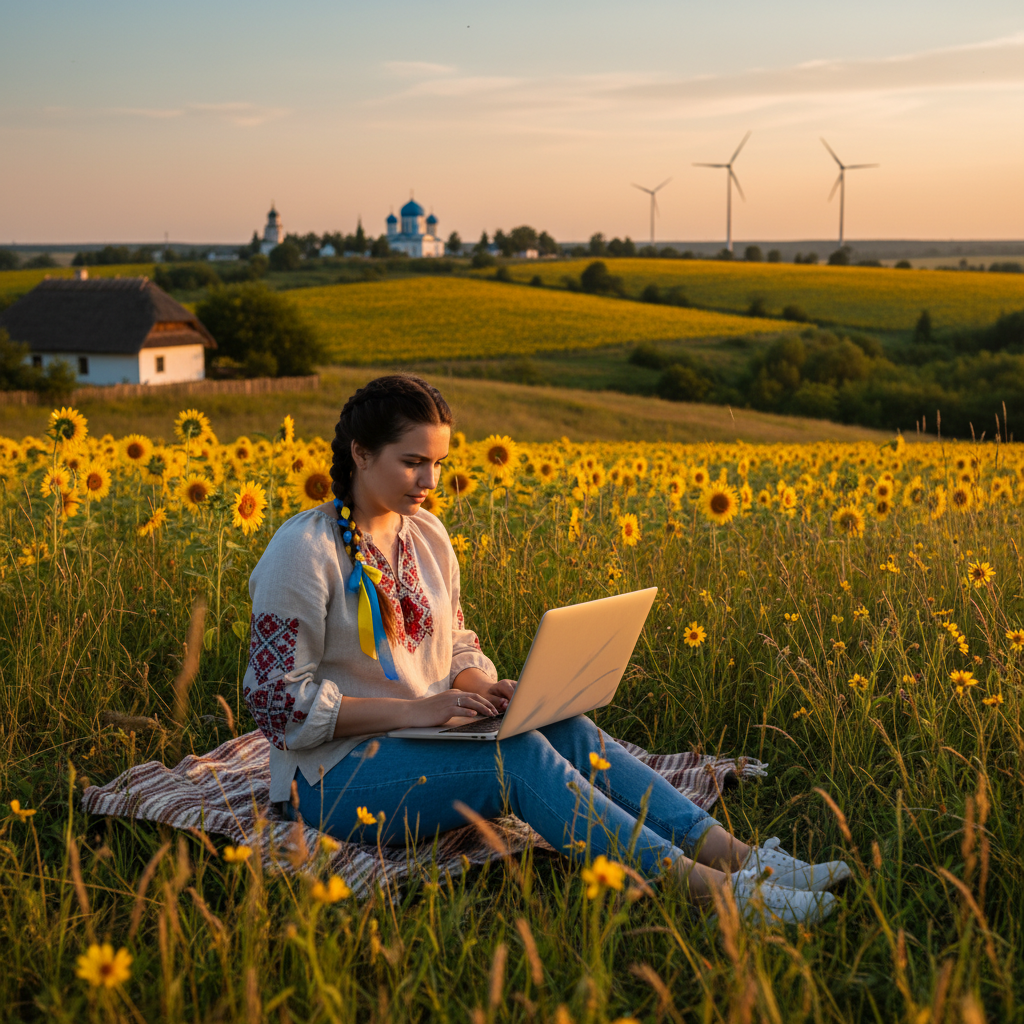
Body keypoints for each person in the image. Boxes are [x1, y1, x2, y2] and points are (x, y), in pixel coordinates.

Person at [242, 374, 849, 925]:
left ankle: (741, 858)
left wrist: (482, 688)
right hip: (328, 780)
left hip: (423, 740)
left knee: (562, 725)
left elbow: (455, 643)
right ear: (360, 453)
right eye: (413, 463)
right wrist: (415, 709)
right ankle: (717, 895)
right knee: (516, 757)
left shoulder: (426, 534)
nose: (431, 482)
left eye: (438, 463)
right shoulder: (304, 552)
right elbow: (275, 703)